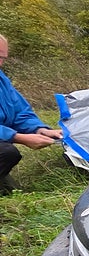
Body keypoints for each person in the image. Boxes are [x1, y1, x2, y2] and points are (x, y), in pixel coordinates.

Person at [1, 33, 63, 195]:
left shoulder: (2, 80)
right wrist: (18, 137)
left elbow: (20, 111)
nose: (1, 63)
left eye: (3, 58)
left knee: (13, 192)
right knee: (7, 153)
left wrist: (39, 130)